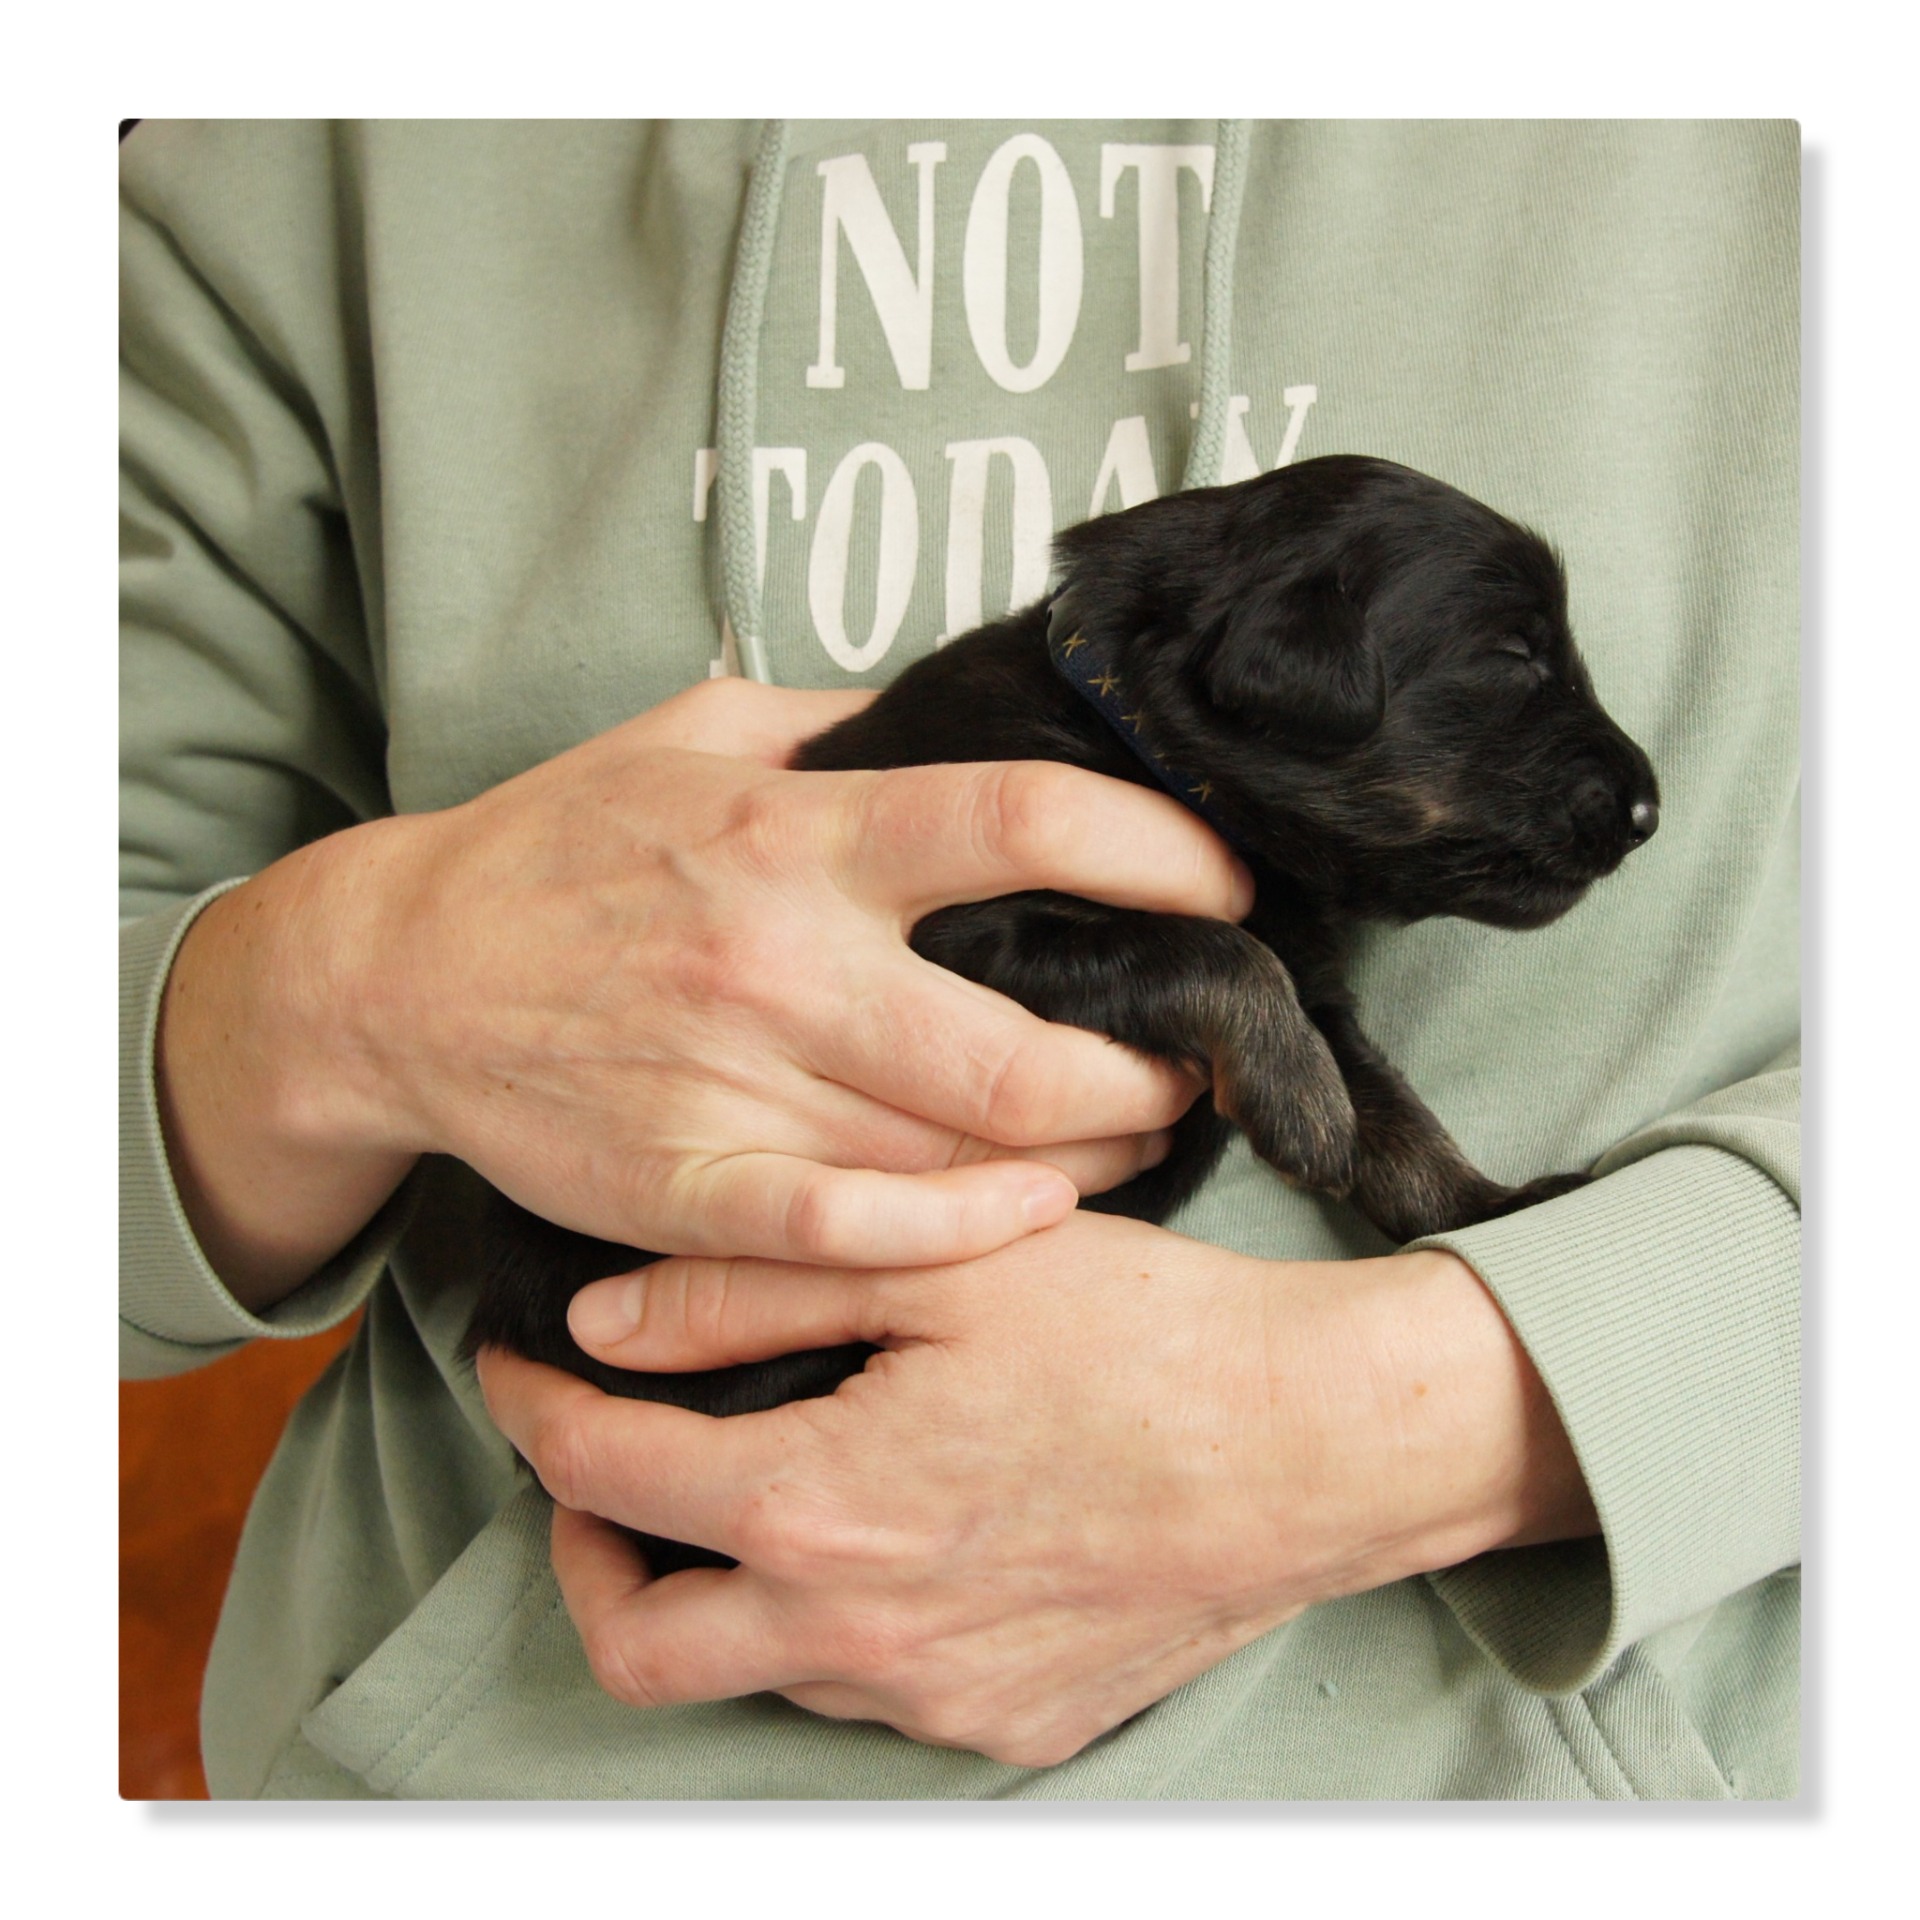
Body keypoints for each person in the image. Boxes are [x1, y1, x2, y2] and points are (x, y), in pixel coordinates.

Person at [120, 118, 1799, 1799]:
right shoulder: (289, 143)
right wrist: (346, 979)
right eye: (1510, 668)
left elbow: (1307, 1038)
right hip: (557, 1750)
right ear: (1282, 663)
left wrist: (1448, 1413)